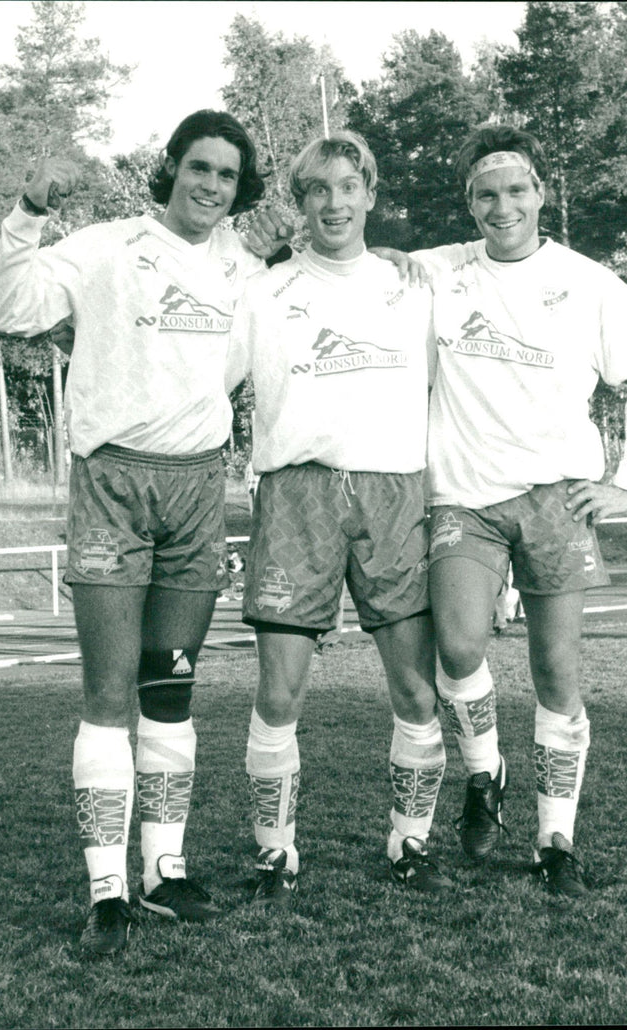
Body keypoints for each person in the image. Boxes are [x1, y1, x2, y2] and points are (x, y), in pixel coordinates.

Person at [0, 109, 290, 955]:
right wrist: (28, 211)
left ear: (240, 188)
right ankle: (106, 889)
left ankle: (163, 870)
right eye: (200, 168)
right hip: (113, 482)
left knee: (172, 686)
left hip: (198, 488)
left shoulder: (245, 268)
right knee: (109, 694)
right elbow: (7, 309)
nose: (212, 186)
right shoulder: (106, 245)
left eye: (228, 176)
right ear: (171, 167)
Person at [412, 126, 627, 897]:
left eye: (517, 190)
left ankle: (556, 837)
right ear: (469, 203)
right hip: (462, 493)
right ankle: (484, 770)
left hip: (558, 498)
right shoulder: (438, 273)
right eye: (486, 194)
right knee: (458, 648)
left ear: (540, 193)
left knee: (556, 669)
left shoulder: (591, 283)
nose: (503, 206)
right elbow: (365, 271)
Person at [225, 130, 451, 904]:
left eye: (347, 186)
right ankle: (274, 851)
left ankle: (410, 839)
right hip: (298, 496)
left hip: (395, 494)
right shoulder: (263, 290)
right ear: (301, 202)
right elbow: (203, 379)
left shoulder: (415, 285)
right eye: (316, 189)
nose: (333, 202)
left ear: (371, 194)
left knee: (415, 689)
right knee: (279, 692)